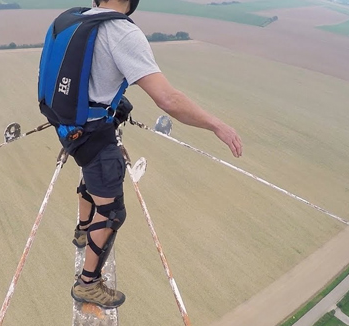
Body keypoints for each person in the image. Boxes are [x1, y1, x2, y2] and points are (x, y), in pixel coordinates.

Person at [37, 0, 243, 309]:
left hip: (65, 124)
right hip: (91, 134)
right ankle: (88, 283)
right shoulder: (120, 32)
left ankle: (82, 232)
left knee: (92, 175)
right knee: (112, 211)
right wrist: (215, 124)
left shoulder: (74, 20)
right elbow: (169, 99)